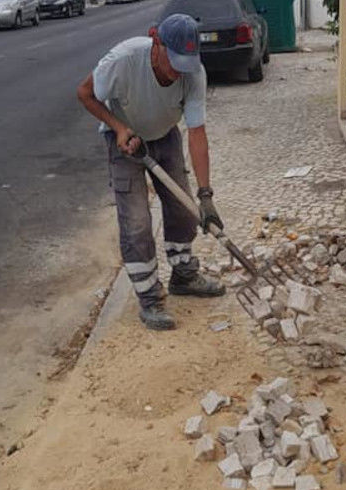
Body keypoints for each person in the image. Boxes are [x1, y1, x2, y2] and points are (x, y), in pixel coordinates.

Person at [77, 13, 226, 331]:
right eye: (173, 62)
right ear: (155, 42)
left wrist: (205, 195)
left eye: (185, 65)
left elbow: (197, 133)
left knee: (184, 210)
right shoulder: (124, 60)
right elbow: (85, 94)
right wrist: (118, 127)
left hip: (165, 134)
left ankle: (184, 276)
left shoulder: (193, 73)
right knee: (137, 223)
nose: (177, 73)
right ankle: (149, 299)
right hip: (125, 142)